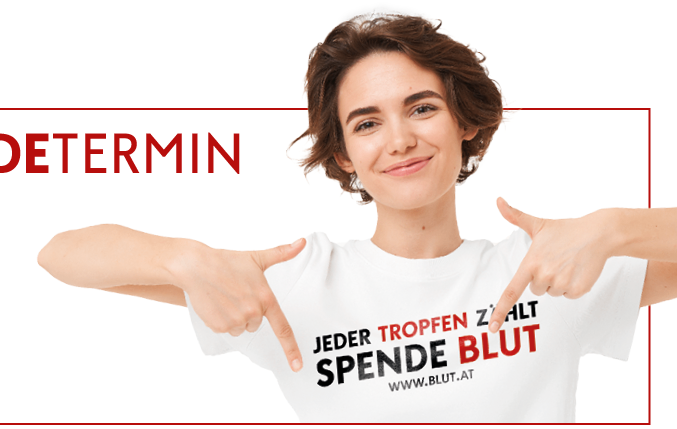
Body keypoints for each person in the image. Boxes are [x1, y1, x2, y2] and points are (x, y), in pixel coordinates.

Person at [37, 14, 677, 423]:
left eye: (422, 108)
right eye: (367, 122)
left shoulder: (549, 271)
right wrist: (183, 259)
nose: (398, 139)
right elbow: (60, 254)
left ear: (465, 121)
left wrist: (616, 227)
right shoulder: (296, 284)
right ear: (344, 154)